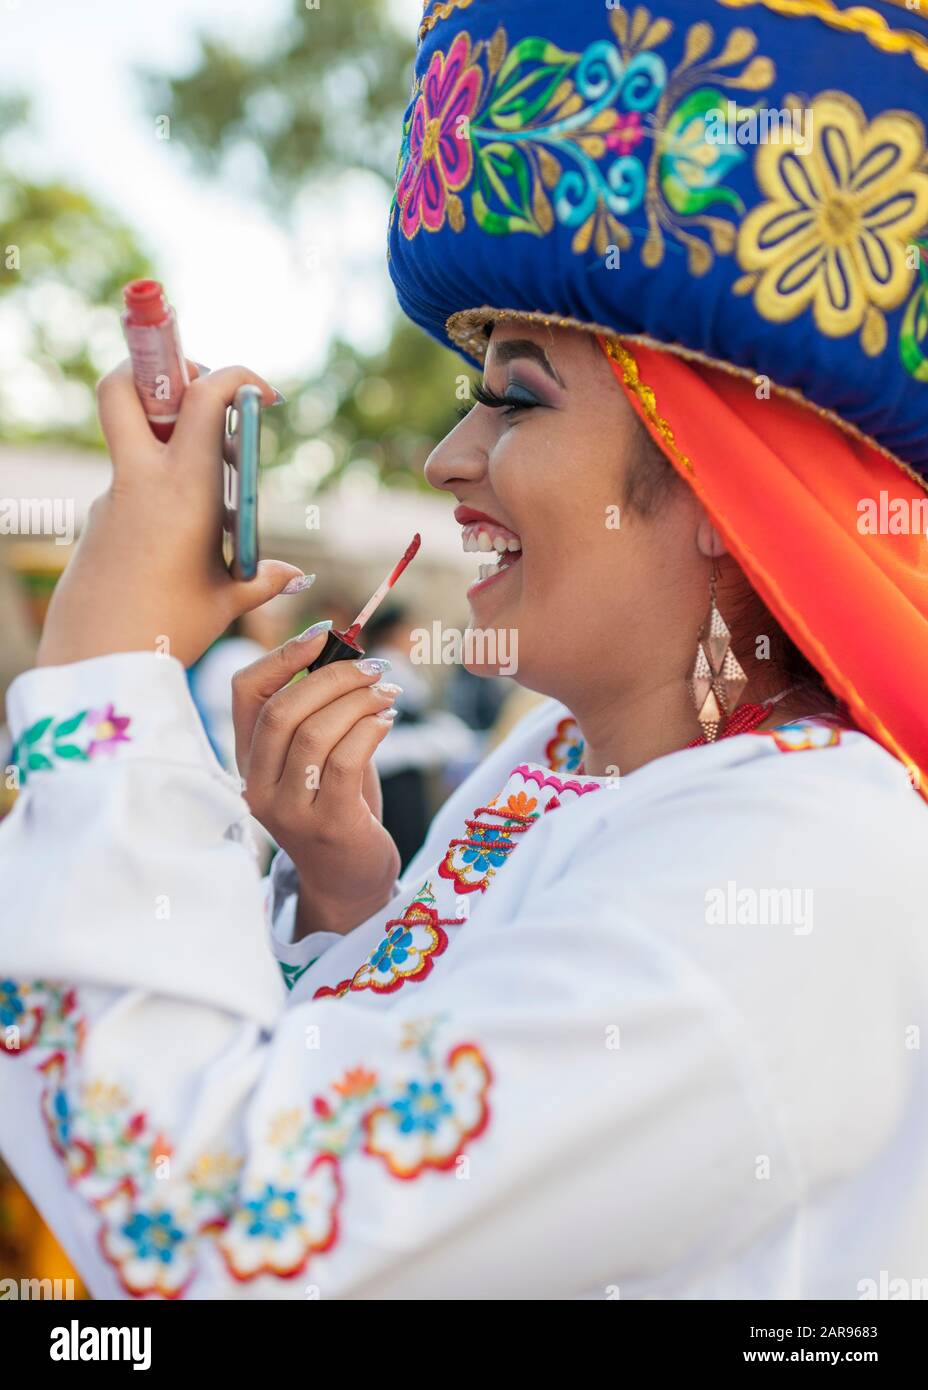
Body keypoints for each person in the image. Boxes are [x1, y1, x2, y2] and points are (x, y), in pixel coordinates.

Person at [1, 0, 928, 1300]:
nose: (450, 461)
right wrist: (347, 888)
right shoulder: (569, 757)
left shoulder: (809, 862)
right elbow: (438, 1104)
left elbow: (208, 1231)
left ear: (732, 484)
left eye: (516, 393)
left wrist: (105, 661)